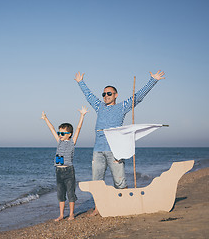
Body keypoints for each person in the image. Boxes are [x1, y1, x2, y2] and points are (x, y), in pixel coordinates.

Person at [74, 70, 165, 216]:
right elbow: (89, 96)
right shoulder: (99, 107)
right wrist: (80, 82)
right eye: (104, 94)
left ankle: (124, 206)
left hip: (115, 150)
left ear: (115, 95)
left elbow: (138, 97)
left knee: (120, 181)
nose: (105, 96)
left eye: (109, 93)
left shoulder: (122, 107)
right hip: (98, 150)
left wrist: (152, 80)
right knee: (96, 181)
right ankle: (98, 208)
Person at [41, 106, 88, 221]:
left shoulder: (72, 142)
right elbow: (51, 129)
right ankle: (61, 215)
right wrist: (46, 119)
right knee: (60, 194)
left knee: (70, 193)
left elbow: (78, 128)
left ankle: (71, 214)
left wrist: (82, 115)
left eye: (63, 133)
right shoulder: (59, 142)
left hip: (69, 171)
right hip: (58, 171)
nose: (60, 135)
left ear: (69, 134)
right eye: (59, 133)